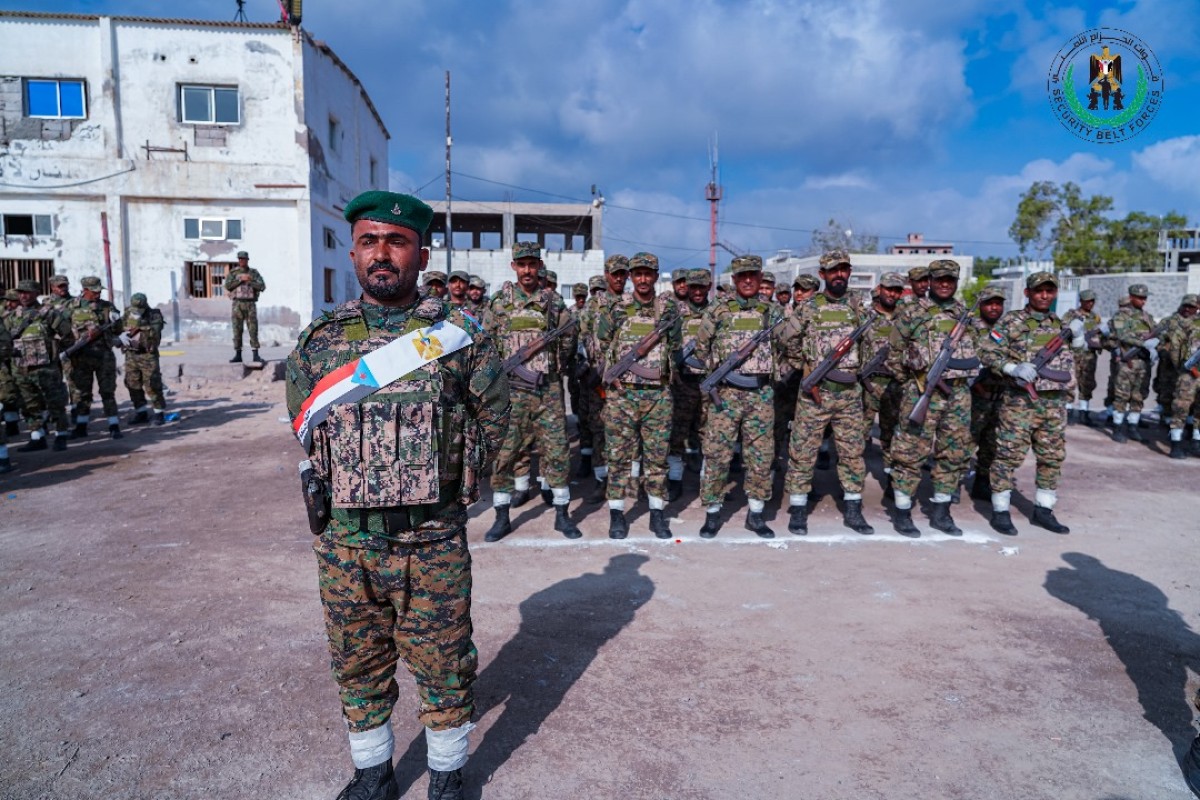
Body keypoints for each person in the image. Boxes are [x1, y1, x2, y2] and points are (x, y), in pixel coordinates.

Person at [285, 190, 509, 800]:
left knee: (444, 660)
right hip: (347, 542)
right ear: (353, 251)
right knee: (356, 660)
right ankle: (373, 773)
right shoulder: (319, 343)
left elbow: (496, 423)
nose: (382, 254)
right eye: (369, 241)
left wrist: (446, 480)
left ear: (421, 252)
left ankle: (446, 773)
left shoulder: (458, 338)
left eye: (396, 241)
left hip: (431, 538)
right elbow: (306, 428)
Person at [483, 241, 581, 541]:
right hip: (510, 392)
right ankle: (502, 517)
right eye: (521, 264)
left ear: (540, 265)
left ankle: (562, 514)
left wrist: (553, 368)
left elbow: (568, 342)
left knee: (557, 451)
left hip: (547, 390)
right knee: (505, 453)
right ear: (514, 266)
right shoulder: (499, 302)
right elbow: (486, 344)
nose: (527, 270)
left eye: (532, 264)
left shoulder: (553, 303)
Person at [779, 249, 874, 535]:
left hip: (848, 393)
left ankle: (854, 510)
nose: (839, 274)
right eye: (833, 270)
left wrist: (858, 369)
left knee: (853, 452)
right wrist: (805, 367)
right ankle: (798, 510)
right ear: (823, 274)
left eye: (844, 269)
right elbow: (786, 339)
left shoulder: (858, 307)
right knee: (802, 452)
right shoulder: (809, 307)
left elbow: (869, 345)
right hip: (814, 393)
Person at [978, 271, 1075, 535]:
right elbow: (987, 350)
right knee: (1007, 456)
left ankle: (1044, 509)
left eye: (1049, 290)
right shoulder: (1011, 322)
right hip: (1019, 404)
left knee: (1052, 458)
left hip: (1053, 405)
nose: (1045, 295)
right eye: (1039, 290)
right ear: (1027, 293)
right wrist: (1011, 367)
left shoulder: (1059, 324)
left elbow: (1068, 362)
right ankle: (1000, 511)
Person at [885, 260, 978, 535]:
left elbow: (976, 350)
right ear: (931, 281)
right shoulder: (913, 312)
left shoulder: (963, 314)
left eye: (950, 279)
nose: (945, 284)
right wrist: (915, 385)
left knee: (953, 452)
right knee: (910, 453)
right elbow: (893, 355)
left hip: (958, 395)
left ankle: (941, 512)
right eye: (939, 279)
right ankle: (902, 512)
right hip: (921, 391)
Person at [693, 255, 783, 538]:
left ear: (760, 278)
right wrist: (719, 374)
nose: (747, 280)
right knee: (717, 456)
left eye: (752, 275)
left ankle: (756, 514)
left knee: (761, 457)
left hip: (760, 395)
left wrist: (776, 374)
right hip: (726, 395)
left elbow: (789, 348)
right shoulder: (718, 311)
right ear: (733, 279)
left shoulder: (773, 312)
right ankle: (712, 513)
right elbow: (700, 350)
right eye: (741, 275)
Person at [594, 252, 681, 538]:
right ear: (631, 276)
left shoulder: (668, 310)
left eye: (649, 273)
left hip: (658, 396)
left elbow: (676, 346)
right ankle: (617, 514)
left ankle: (657, 513)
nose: (643, 279)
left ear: (656, 276)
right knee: (618, 457)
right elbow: (602, 343)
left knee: (657, 457)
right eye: (638, 273)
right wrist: (612, 374)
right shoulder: (616, 308)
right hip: (623, 396)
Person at [579, 256, 630, 502]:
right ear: (607, 274)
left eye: (623, 273)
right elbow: (583, 337)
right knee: (600, 431)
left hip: (628, 381)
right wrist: (592, 369)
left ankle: (628, 482)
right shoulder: (593, 306)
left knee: (628, 433)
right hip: (599, 381)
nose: (619, 278)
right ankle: (602, 481)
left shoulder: (632, 304)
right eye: (614, 273)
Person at [6, 279, 74, 452]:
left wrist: (58, 354)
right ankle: (37, 437)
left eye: (27, 292)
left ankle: (61, 436)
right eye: (20, 292)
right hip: (21, 368)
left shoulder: (48, 313)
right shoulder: (12, 316)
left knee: (55, 402)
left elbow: (67, 335)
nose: (23, 295)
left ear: (36, 293)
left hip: (46, 369)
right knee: (28, 405)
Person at [668, 268, 711, 491]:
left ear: (708, 288)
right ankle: (675, 479)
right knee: (677, 433)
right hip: (682, 382)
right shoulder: (676, 312)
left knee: (709, 434)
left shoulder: (717, 312)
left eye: (701, 287)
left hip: (709, 382)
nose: (696, 291)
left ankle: (708, 483)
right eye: (693, 287)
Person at [861, 272, 905, 489]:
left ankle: (891, 479)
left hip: (895, 384)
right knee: (859, 435)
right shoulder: (864, 315)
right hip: (868, 384)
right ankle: (852, 483)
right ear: (879, 288)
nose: (893, 294)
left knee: (892, 435)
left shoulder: (906, 318)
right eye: (889, 289)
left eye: (897, 290)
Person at [65, 275, 123, 440]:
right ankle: (81, 427)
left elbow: (118, 329)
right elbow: (63, 331)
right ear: (85, 291)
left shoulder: (106, 306)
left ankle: (114, 426)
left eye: (99, 291)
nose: (98, 294)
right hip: (81, 357)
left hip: (104, 355)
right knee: (82, 393)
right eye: (94, 291)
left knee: (108, 392)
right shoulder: (71, 307)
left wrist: (116, 319)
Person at [968, 285, 1008, 500]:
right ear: (981, 305)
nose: (994, 307)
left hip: (1000, 397)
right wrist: (975, 385)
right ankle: (951, 485)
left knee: (992, 445)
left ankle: (982, 482)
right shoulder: (970, 329)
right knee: (963, 443)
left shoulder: (1007, 330)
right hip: (974, 397)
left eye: (998, 303)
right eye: (989, 303)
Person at [1109, 283, 1156, 443]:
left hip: (1144, 362)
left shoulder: (1147, 317)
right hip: (1127, 362)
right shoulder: (1121, 316)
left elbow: (1155, 332)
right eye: (1140, 298)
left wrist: (1157, 342)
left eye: (1145, 298)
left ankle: (1133, 426)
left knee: (1139, 395)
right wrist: (1143, 343)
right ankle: (1117, 427)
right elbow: (1122, 336)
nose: (1143, 301)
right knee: (1121, 395)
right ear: (1131, 297)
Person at [119, 293, 168, 425]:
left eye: (139, 310)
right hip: (131, 355)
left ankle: (159, 413)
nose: (136, 312)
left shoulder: (154, 314)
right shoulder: (128, 313)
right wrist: (121, 334)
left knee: (152, 384)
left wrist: (138, 326)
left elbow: (155, 332)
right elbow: (118, 328)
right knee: (132, 383)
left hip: (148, 355)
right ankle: (141, 412)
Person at [1061, 289, 1103, 425]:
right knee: (1070, 382)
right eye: (1087, 301)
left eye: (1092, 301)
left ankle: (1084, 412)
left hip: (1089, 356)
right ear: (1081, 301)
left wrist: (1098, 342)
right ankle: (1068, 411)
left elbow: (1100, 334)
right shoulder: (1071, 315)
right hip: (1074, 354)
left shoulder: (1095, 317)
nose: (1090, 304)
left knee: (1087, 383)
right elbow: (1064, 330)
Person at [1167, 302, 1200, 458]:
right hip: (1189, 374)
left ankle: (1197, 442)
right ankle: (1176, 445)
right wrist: (1184, 368)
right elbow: (1175, 348)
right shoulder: (1189, 325)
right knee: (1181, 408)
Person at [224, 251, 265, 364]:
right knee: (237, 329)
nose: (242, 261)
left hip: (250, 304)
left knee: (253, 329)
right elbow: (228, 285)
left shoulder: (253, 273)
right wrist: (240, 280)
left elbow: (262, 286)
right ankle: (238, 354)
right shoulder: (234, 273)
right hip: (237, 304)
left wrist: (250, 281)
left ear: (247, 260)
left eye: (244, 259)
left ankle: (255, 354)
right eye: (240, 259)